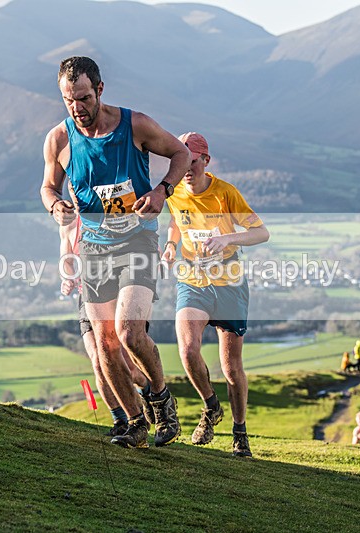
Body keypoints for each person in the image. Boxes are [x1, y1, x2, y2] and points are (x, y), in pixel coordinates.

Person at [41, 56, 190, 448]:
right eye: (69, 100)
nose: (77, 108)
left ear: (100, 90)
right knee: (105, 341)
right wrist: (55, 205)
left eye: (84, 98)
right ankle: (136, 423)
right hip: (94, 246)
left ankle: (160, 396)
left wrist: (162, 190)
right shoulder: (58, 139)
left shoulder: (134, 125)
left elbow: (181, 154)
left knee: (129, 331)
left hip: (137, 239)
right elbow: (47, 188)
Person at [161, 132, 269, 457]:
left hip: (229, 280)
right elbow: (176, 222)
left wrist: (228, 239)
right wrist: (170, 245)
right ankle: (211, 407)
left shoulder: (225, 193)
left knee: (231, 366)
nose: (186, 168)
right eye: (181, 160)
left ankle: (240, 433)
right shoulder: (174, 191)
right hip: (193, 277)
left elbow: (261, 232)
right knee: (188, 348)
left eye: (192, 161)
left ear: (206, 160)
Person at [59, 214, 150, 436]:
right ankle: (121, 420)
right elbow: (67, 257)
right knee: (99, 362)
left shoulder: (113, 212)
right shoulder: (69, 220)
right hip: (88, 296)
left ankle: (147, 388)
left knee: (127, 367)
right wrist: (68, 278)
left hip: (120, 294)